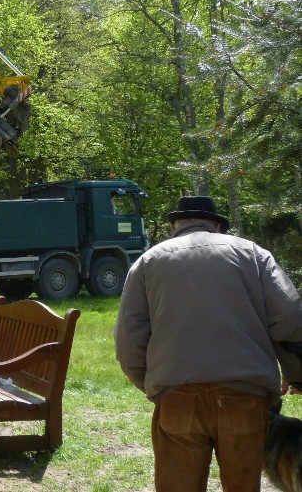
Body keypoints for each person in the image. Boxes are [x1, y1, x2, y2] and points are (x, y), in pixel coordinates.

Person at [114, 195, 302, 492]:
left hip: (177, 397)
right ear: (216, 225)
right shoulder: (254, 254)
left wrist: (155, 385)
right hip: (245, 396)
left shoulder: (148, 262)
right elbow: (291, 318)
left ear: (175, 225)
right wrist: (295, 374)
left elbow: (128, 339)